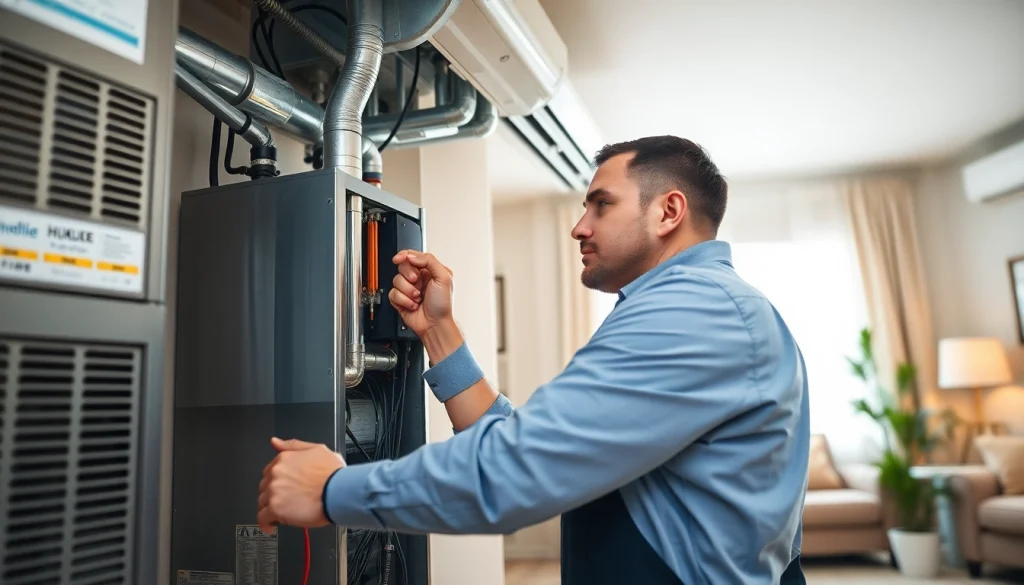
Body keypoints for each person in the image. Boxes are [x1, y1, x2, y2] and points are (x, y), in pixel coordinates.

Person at [257, 135, 810, 584]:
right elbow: (546, 450)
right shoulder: (703, 307)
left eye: (602, 204)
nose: (580, 226)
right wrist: (439, 332)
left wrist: (332, 490)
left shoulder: (694, 310)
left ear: (669, 211)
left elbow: (521, 467)